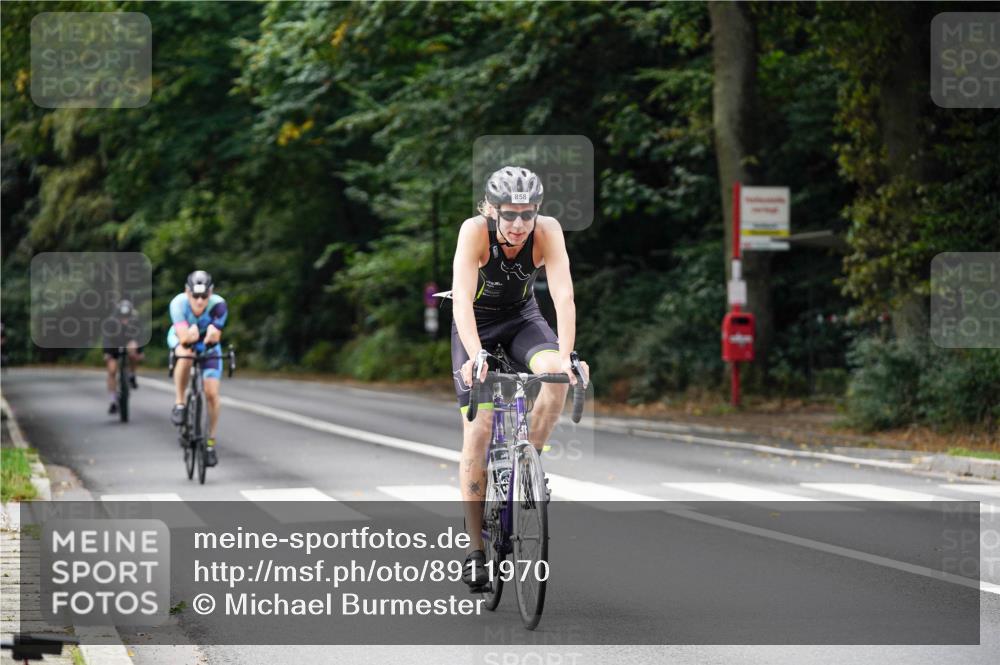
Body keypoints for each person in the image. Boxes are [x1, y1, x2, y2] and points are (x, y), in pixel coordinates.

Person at [451, 166, 588, 589]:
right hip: (476, 326)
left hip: (522, 320)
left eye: (527, 215)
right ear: (491, 211)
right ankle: (476, 548)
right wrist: (476, 356)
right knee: (479, 430)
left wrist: (566, 356)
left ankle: (529, 459)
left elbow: (563, 296)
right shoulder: (474, 232)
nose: (518, 225)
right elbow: (460, 301)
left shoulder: (547, 232)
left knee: (555, 377)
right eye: (509, 215)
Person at [168, 270, 228, 466]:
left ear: (210, 293)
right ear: (187, 292)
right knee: (185, 355)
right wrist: (189, 337)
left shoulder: (218, 305)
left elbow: (215, 335)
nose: (200, 301)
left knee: (211, 393)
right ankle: (180, 403)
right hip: (182, 338)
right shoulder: (178, 304)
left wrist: (212, 334)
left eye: (204, 296)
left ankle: (210, 442)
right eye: (195, 296)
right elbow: (184, 338)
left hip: (208, 345)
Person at [102, 299, 144, 415]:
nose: (125, 320)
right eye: (122, 317)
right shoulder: (111, 322)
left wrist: (139, 351)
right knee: (112, 370)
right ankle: (113, 400)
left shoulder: (135, 321)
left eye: (127, 317)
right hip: (114, 346)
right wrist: (107, 353)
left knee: (133, 349)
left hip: (129, 344)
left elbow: (140, 337)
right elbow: (106, 339)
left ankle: (132, 374)